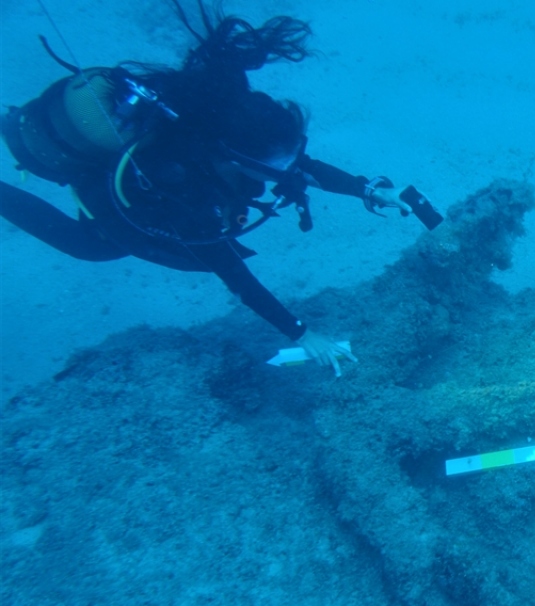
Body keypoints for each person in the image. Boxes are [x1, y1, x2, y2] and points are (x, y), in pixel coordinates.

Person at [0, 4, 430, 376]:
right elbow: (233, 273)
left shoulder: (237, 120)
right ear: (232, 158)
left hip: (180, 162)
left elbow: (300, 168)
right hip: (121, 187)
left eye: (290, 156)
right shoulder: (186, 193)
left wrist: (368, 190)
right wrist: (303, 333)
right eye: (275, 168)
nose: (289, 171)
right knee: (91, 246)